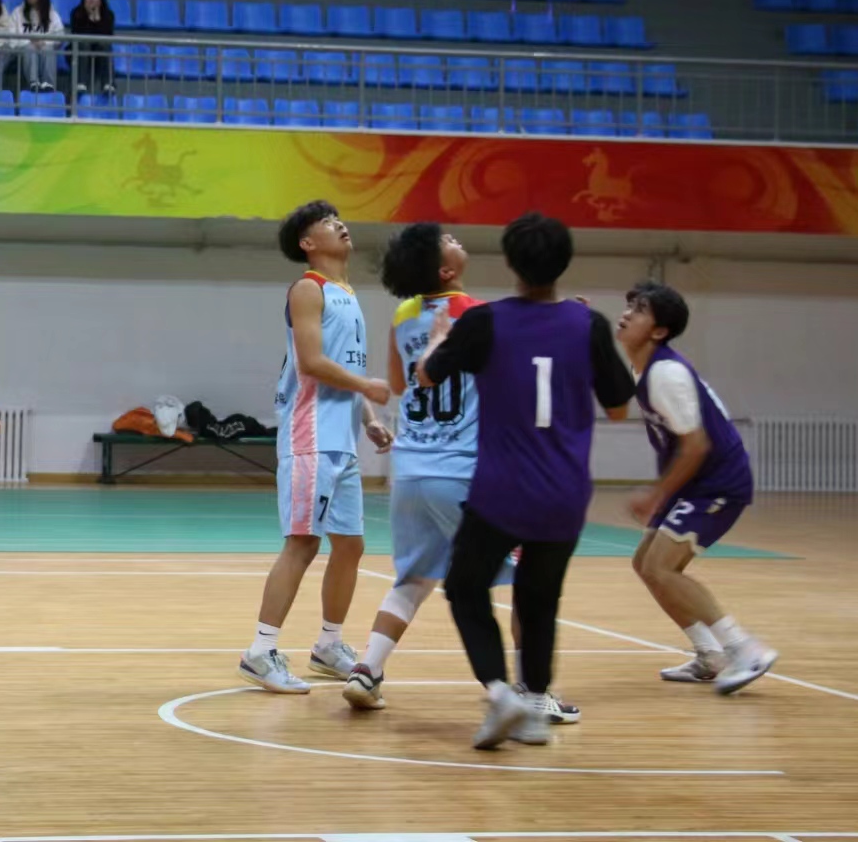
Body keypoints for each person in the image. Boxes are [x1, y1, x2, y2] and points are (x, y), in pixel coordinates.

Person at [417, 212, 636, 749]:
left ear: (511, 263)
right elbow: (618, 408)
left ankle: (499, 691)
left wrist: (438, 338)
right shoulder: (588, 324)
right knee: (540, 600)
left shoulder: (485, 321)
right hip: (564, 492)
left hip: (501, 489)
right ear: (565, 263)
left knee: (466, 586)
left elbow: (427, 376)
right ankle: (535, 708)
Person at [344, 226, 578, 725]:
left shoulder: (404, 315)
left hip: (409, 467)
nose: (454, 236)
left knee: (414, 576)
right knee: (527, 579)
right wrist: (564, 321)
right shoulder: (479, 314)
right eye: (447, 239)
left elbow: (401, 384)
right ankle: (531, 692)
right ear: (446, 269)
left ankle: (367, 670)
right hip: (463, 470)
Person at [237, 201, 392, 693]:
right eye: (328, 223)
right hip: (310, 436)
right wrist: (367, 387)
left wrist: (369, 419)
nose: (340, 225)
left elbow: (346, 365)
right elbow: (312, 362)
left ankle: (328, 644)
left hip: (342, 440)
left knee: (351, 544)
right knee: (302, 542)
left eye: (339, 219)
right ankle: (260, 651)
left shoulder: (348, 293)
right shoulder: (308, 289)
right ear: (308, 243)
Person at [615, 281, 778, 695]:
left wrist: (656, 494)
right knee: (645, 564)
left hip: (718, 481)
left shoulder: (665, 372)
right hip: (695, 482)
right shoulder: (643, 367)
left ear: (659, 331)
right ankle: (710, 655)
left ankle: (745, 649)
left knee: (661, 568)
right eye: (629, 306)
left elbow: (696, 446)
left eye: (640, 309)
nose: (628, 313)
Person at [15, 0, 65, 93]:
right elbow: (11, 36)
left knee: (47, 48)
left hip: (44, 52)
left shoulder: (52, 14)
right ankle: (34, 83)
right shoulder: (18, 13)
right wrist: (29, 42)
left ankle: (48, 84)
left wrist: (44, 42)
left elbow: (60, 37)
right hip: (21, 54)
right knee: (30, 48)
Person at [66, 0, 115, 96]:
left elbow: (107, 36)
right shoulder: (76, 13)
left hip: (99, 54)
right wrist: (89, 18)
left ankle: (108, 83)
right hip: (78, 52)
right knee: (84, 43)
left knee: (104, 45)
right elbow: (77, 35)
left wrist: (96, 18)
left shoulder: (108, 15)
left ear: (101, 0)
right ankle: (81, 83)